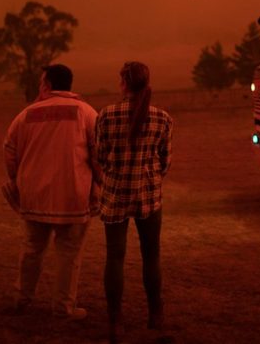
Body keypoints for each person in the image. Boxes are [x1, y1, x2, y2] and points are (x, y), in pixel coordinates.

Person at [3, 64, 99, 320]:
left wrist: (16, 179)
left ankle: (22, 300)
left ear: (46, 84)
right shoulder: (86, 112)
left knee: (32, 249)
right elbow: (99, 154)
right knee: (69, 254)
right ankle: (63, 308)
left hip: (34, 196)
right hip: (73, 197)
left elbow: (9, 150)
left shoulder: (27, 114)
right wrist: (98, 185)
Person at [94, 61, 173, 342]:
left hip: (115, 195)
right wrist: (149, 178)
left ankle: (115, 321)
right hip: (149, 197)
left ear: (124, 83)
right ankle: (155, 315)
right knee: (151, 256)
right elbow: (165, 162)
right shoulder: (162, 118)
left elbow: (101, 158)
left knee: (114, 257)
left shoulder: (106, 115)